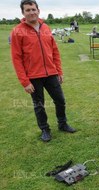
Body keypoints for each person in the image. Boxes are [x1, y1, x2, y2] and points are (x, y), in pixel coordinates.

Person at [10, 0, 76, 142]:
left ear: (38, 10)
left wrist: (59, 71)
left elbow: (54, 51)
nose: (31, 12)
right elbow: (16, 58)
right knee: (39, 105)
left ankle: (62, 124)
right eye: (28, 10)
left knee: (60, 100)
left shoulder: (46, 27)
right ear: (23, 13)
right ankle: (45, 129)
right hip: (33, 76)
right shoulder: (17, 31)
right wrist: (24, 81)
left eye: (33, 9)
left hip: (51, 73)